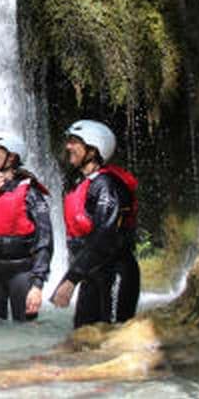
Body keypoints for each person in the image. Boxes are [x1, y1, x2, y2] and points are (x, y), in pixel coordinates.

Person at [50, 119, 140, 328]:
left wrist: (71, 279)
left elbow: (105, 237)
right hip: (91, 274)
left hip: (115, 273)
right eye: (68, 141)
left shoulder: (107, 186)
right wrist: (72, 277)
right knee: (83, 337)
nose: (68, 147)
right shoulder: (80, 183)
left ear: (93, 148)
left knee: (114, 337)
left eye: (74, 142)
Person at [0, 132, 53, 322]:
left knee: (26, 328)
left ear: (12, 156)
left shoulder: (30, 192)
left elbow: (45, 241)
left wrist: (38, 285)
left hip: (22, 271)